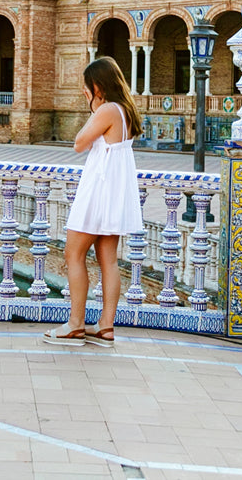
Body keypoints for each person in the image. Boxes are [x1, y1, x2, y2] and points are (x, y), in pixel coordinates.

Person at [43, 56, 144, 348]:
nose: (84, 91)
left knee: (73, 254)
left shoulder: (108, 109)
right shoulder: (125, 110)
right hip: (113, 193)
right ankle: (105, 327)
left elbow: (79, 143)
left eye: (87, 85)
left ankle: (75, 324)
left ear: (98, 85)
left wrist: (93, 103)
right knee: (108, 260)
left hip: (98, 192)